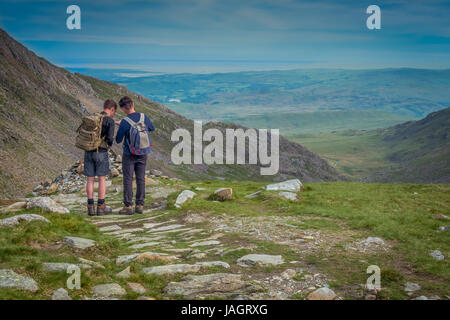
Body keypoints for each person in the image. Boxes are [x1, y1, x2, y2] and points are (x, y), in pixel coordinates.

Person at [115, 96, 155, 215]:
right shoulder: (144, 117)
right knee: (140, 178)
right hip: (143, 152)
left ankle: (128, 206)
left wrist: (122, 125)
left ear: (123, 109)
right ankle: (140, 205)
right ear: (133, 104)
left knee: (128, 179)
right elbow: (152, 128)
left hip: (129, 154)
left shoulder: (125, 121)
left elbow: (118, 140)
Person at [84, 99, 117, 216]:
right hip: (101, 152)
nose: (114, 114)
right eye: (114, 112)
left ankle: (90, 206)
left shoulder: (93, 117)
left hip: (88, 151)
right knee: (102, 178)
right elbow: (110, 139)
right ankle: (101, 206)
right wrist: (109, 144)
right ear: (112, 109)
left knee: (90, 179)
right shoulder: (109, 120)